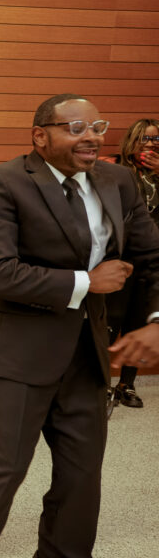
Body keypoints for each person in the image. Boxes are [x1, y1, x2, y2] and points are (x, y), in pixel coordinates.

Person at [0, 94, 159, 558]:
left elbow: (151, 258)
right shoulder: (2, 182)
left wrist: (153, 320)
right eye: (75, 127)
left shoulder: (118, 183)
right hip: (14, 351)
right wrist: (86, 283)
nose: (92, 136)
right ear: (40, 137)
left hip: (86, 356)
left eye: (98, 126)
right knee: (1, 472)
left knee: (82, 475)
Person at [100, 118, 159, 408]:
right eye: (143, 138)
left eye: (155, 139)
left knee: (139, 323)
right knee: (110, 321)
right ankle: (102, 385)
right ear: (131, 140)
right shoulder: (115, 167)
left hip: (150, 261)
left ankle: (127, 385)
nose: (149, 144)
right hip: (118, 259)